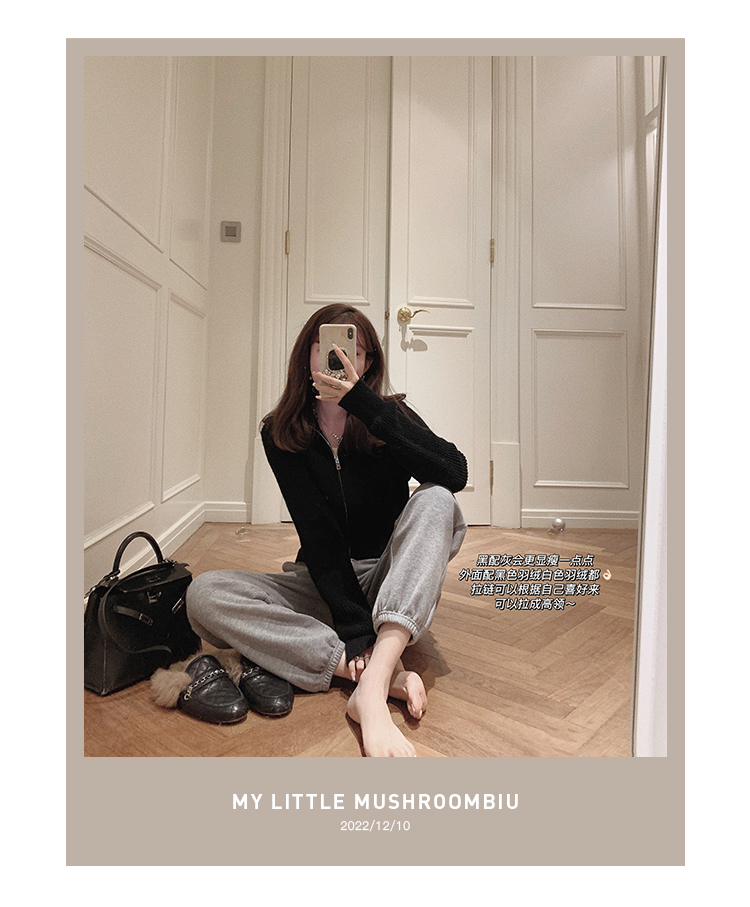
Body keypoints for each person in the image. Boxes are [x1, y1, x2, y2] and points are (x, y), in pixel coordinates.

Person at [186, 303, 468, 756]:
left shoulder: (388, 416)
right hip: (322, 581)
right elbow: (318, 534)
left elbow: (454, 472)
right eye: (326, 345)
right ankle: (377, 674)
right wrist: (355, 629)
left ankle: (370, 687)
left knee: (437, 499)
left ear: (367, 362)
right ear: (308, 354)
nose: (339, 356)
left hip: (388, 576)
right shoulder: (281, 430)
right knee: (205, 595)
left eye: (354, 349)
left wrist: (366, 406)